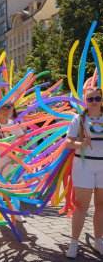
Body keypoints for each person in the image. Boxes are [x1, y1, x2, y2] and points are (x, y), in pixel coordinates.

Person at [65, 87, 103, 258]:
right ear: (85, 101)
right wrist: (82, 144)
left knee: (101, 206)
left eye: (97, 98)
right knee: (81, 206)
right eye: (90, 98)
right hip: (83, 166)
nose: (94, 101)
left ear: (101, 99)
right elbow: (68, 142)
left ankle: (98, 240)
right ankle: (74, 243)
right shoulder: (79, 119)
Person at [0, 102, 25, 222]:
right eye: (2, 110)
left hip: (13, 161)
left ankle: (17, 213)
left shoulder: (14, 125)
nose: (5, 112)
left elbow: (21, 141)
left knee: (16, 186)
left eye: (7, 110)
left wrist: (17, 153)